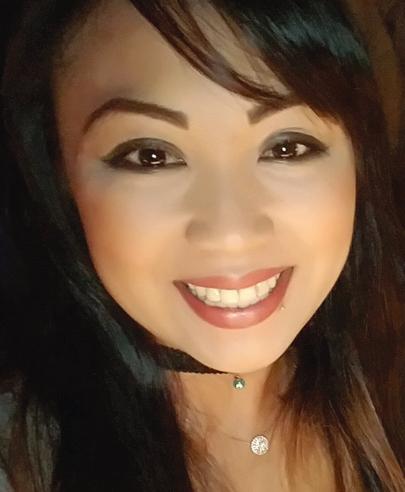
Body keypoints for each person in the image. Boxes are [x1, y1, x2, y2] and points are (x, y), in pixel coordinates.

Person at [0, 0, 404, 491]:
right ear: (59, 177)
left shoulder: (382, 385)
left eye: (286, 147)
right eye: (151, 156)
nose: (231, 232)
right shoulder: (23, 463)